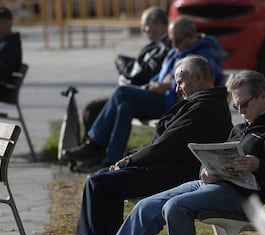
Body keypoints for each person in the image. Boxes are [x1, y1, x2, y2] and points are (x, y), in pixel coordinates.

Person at [63, 69, 265, 235]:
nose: (240, 111)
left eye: (245, 105)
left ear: (263, 96)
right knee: (147, 206)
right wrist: (207, 170)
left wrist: (258, 164)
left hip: (243, 196)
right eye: (237, 106)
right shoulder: (241, 129)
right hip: (214, 185)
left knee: (175, 206)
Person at [64, 17, 224, 166]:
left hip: (175, 104)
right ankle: (110, 161)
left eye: (178, 40)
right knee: (124, 106)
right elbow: (163, 73)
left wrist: (168, 86)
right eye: (171, 40)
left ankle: (94, 144)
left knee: (122, 92)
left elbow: (207, 77)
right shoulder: (179, 50)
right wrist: (154, 83)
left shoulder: (204, 54)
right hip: (160, 97)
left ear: (191, 37)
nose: (174, 44)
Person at [75, 6, 170, 172]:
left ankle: (94, 145)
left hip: (156, 99)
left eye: (146, 25)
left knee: (119, 94)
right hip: (142, 95)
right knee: (119, 106)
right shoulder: (156, 45)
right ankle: (109, 161)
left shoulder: (165, 46)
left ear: (159, 24)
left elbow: (144, 73)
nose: (142, 29)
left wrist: (123, 65)